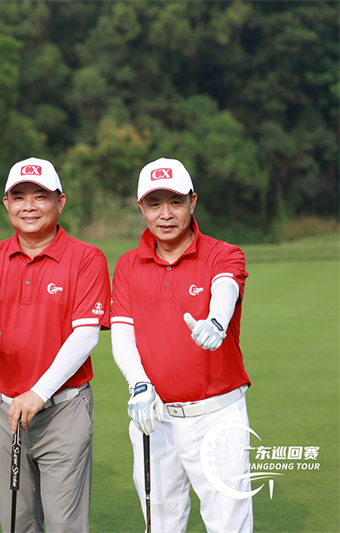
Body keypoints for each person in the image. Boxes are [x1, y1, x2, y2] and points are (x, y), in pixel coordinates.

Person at [0, 157, 111, 533]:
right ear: (6, 204)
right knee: (17, 521)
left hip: (63, 408)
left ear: (60, 202)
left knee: (63, 523)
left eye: (40, 196)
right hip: (4, 410)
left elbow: (86, 334)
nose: (29, 206)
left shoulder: (86, 258)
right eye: (19, 196)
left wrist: (38, 393)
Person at [110, 157, 253, 532]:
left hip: (217, 414)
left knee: (229, 524)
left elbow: (225, 286)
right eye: (154, 203)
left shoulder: (223, 253)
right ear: (141, 207)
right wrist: (138, 384)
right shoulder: (127, 265)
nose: (166, 214)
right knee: (160, 523)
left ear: (193, 201)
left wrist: (217, 321)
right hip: (154, 416)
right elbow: (122, 331)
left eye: (175, 201)